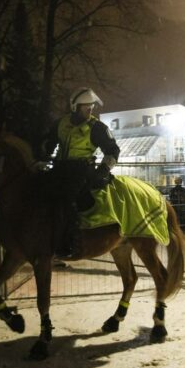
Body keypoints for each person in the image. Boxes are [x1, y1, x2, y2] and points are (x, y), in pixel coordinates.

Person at [42, 87, 120, 257]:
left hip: (82, 172)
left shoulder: (97, 127)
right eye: (86, 106)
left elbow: (113, 150)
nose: (90, 109)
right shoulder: (60, 123)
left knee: (68, 200)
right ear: (75, 107)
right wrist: (42, 158)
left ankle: (70, 242)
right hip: (60, 169)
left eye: (91, 106)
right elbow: (49, 144)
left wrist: (104, 169)